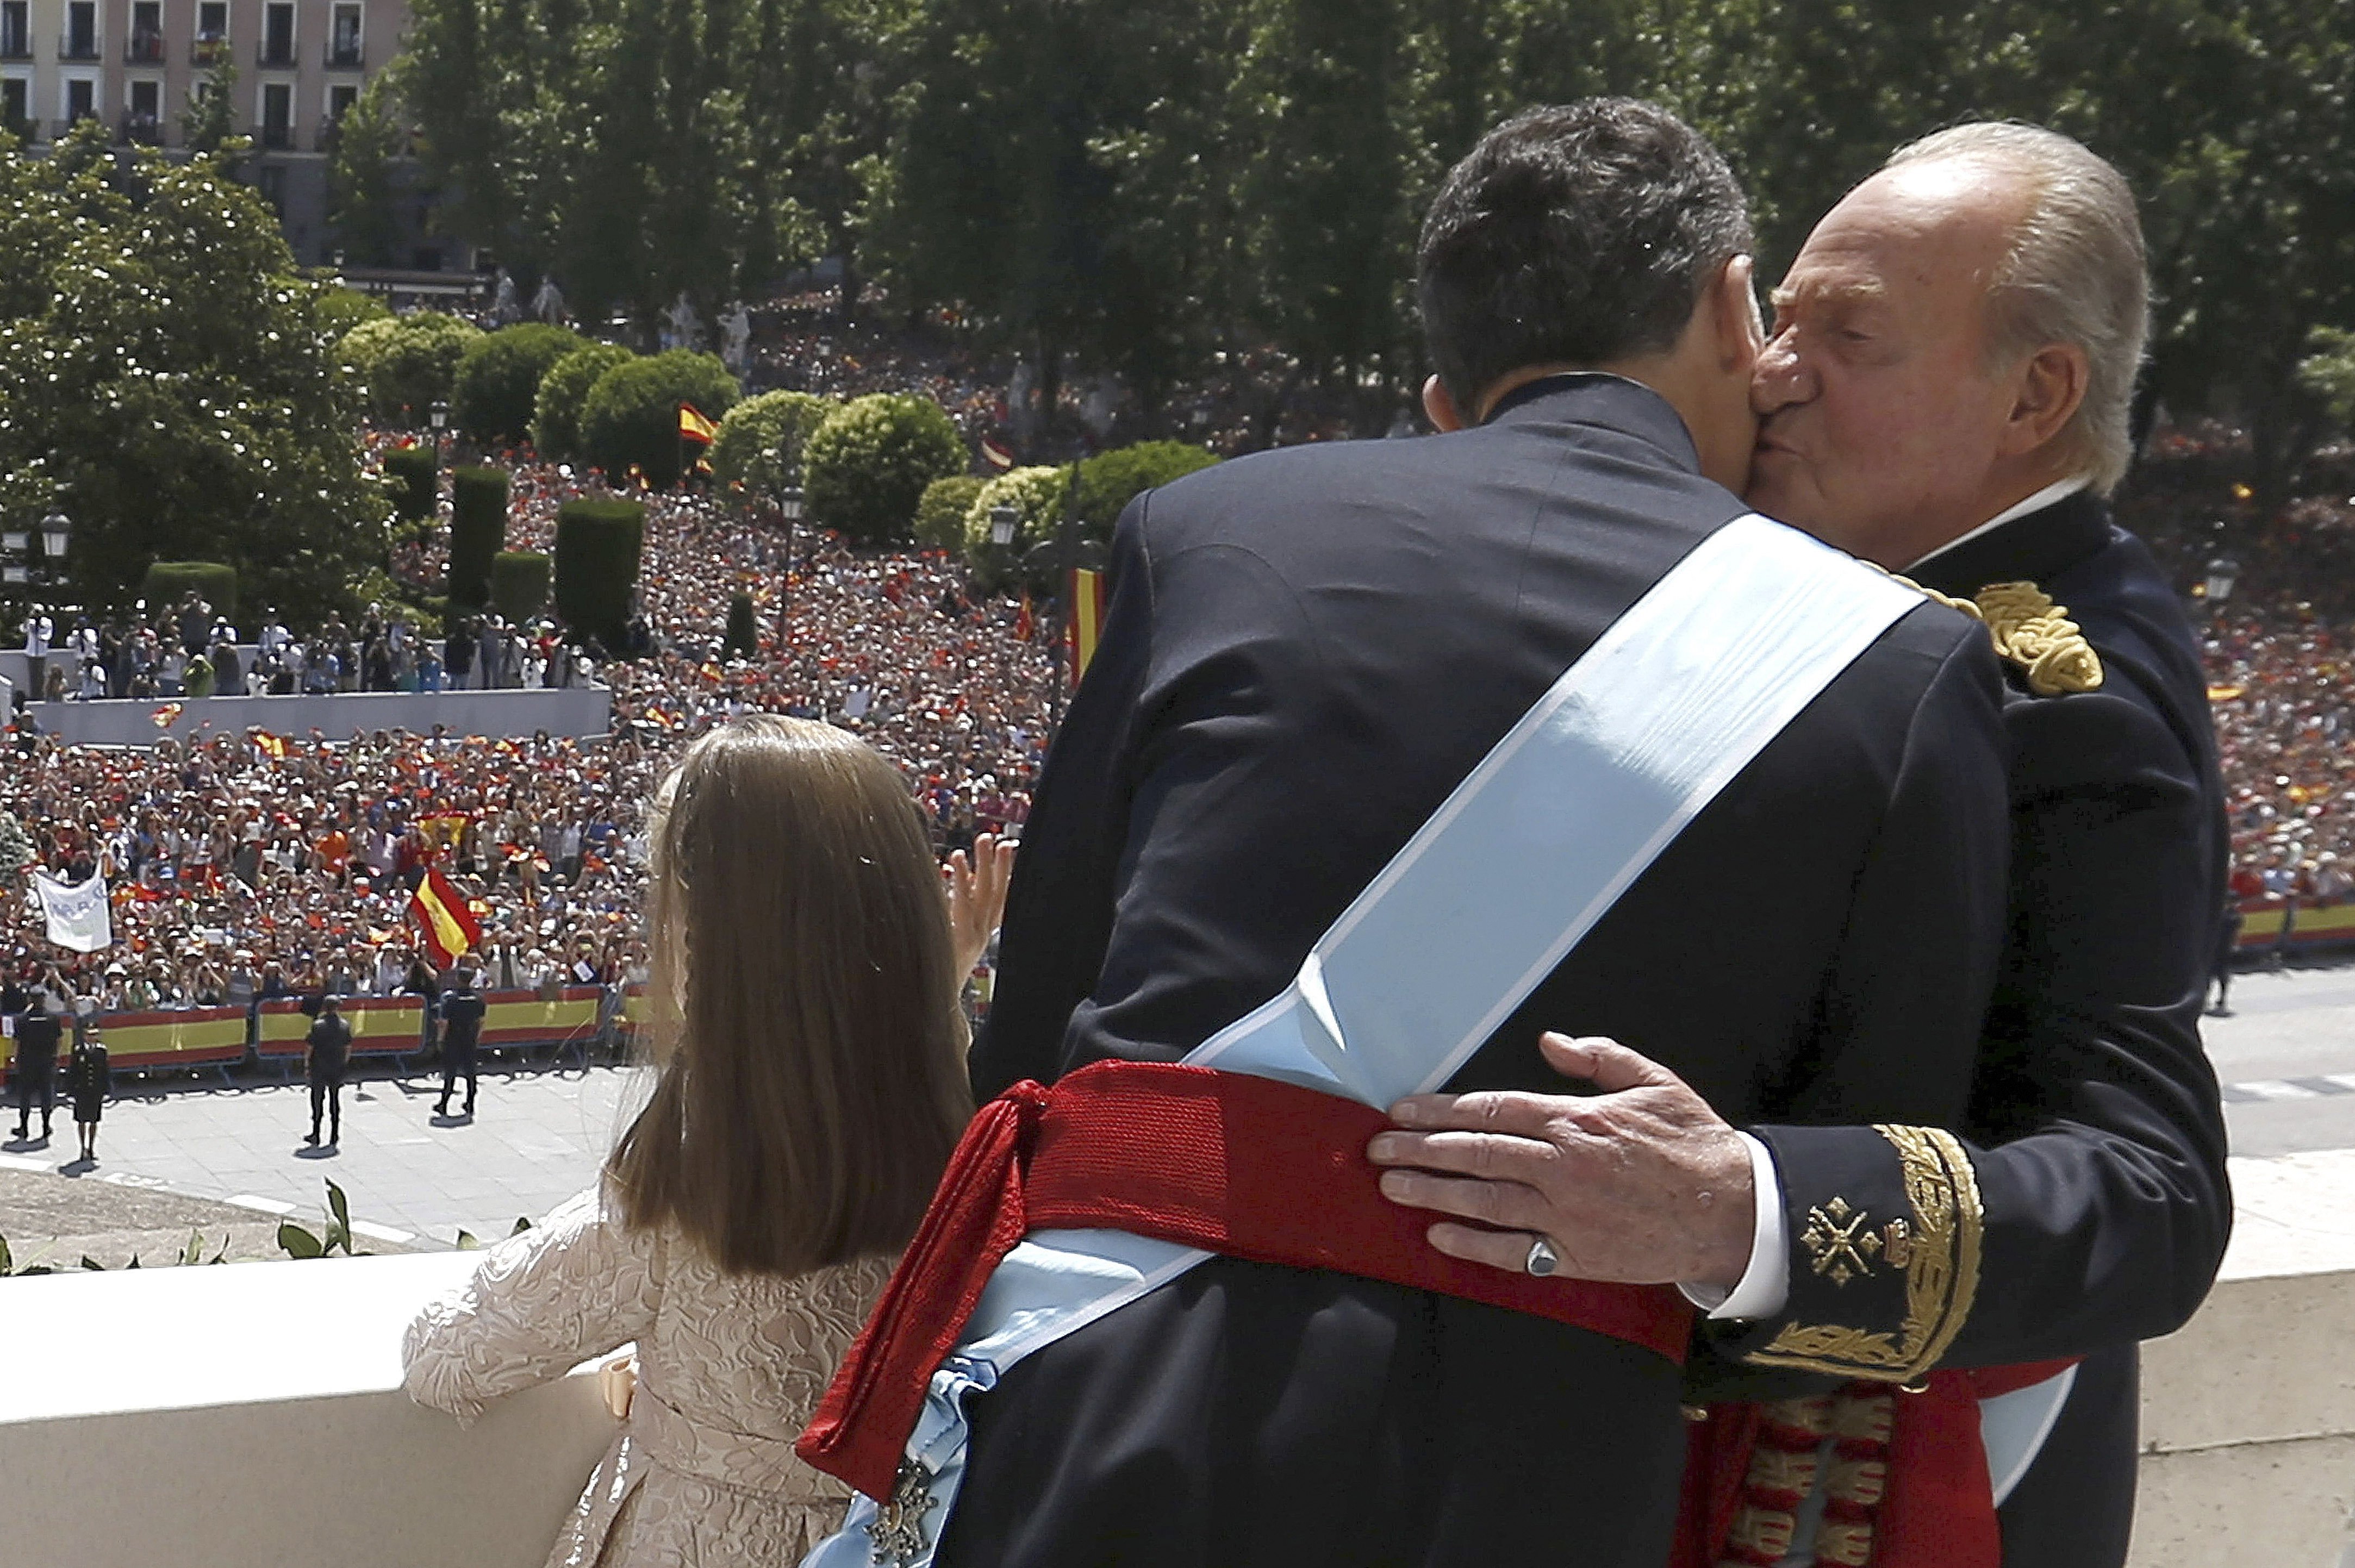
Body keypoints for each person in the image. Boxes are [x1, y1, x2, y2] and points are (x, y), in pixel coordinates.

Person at [805, 101, 2014, 1568]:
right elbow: (1864, 1184)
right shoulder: (1897, 666)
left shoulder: (1200, 534)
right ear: (1723, 300)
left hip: (1101, 1397)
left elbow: (1035, 1056)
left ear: (1447, 383)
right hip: (1526, 1469)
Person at [1368, 122, 2229, 1568]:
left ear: (2034, 393)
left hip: (1881, 1481)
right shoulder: (1824, 601)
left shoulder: (2061, 697)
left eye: (1850, 337)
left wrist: (1741, 1209)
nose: (1773, 368)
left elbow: (2144, 1201)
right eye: (1778, 319)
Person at [402, 716, 1002, 1566]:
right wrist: (929, 998)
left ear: (706, 945)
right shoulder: (977, 1135)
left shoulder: (691, 1191)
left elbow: (447, 1358)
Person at [434, 964, 485, 1119]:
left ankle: (444, 1104)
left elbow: (445, 1023)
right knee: (471, 1073)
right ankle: (470, 1103)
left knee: (450, 1073)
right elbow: (481, 1021)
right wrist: (477, 1037)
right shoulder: (478, 999)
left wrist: (440, 1039)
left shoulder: (451, 999)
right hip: (469, 1038)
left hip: (453, 1038)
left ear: (458, 979)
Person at [11, 992, 60, 1142]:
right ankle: (46, 1127)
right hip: (46, 1062)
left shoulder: (22, 1019)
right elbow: (59, 1040)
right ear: (44, 1000)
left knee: (25, 1096)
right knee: (46, 1095)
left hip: (27, 1062)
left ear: (30, 1000)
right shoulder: (53, 1018)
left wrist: (15, 1058)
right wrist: (55, 1057)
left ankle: (24, 1128)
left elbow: (17, 1042)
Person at [305, 993, 352, 1148]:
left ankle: (316, 1133)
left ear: (325, 1008)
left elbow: (310, 1048)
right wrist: (343, 1064)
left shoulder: (318, 1025)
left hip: (319, 1066)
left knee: (317, 1100)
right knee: (335, 1100)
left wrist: (306, 1065)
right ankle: (334, 1135)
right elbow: (348, 1048)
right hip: (336, 1066)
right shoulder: (345, 1025)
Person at [66, 1032, 109, 1164]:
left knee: (94, 1121)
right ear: (84, 1036)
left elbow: (105, 1072)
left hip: (95, 1091)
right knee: (81, 1121)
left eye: (94, 1035)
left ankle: (91, 1147)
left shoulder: (101, 1051)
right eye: (89, 1035)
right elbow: (72, 1072)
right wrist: (70, 1091)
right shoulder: (78, 1051)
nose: (91, 1038)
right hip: (82, 1091)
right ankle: (82, 1147)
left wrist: (106, 1090)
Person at [2211, 894, 2244, 1016]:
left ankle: (2210, 998)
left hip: (2216, 947)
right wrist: (2236, 945)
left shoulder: (2219, 914)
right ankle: (2222, 998)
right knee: (2223, 975)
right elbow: (2237, 934)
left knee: (2212, 974)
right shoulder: (2237, 916)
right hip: (2226, 948)